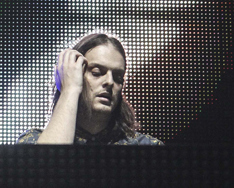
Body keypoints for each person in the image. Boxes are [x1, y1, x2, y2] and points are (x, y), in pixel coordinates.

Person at [17, 32, 162, 145]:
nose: (110, 82)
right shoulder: (33, 140)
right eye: (96, 73)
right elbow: (47, 166)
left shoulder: (146, 147)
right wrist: (70, 89)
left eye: (118, 77)